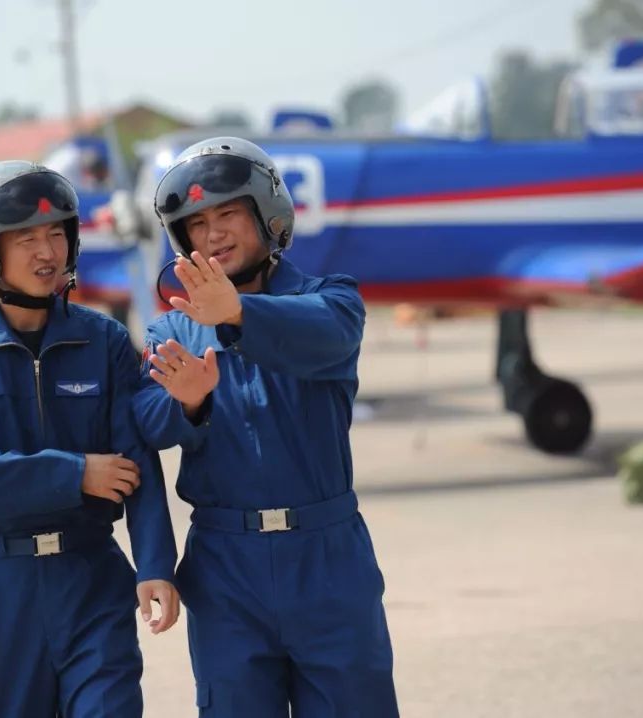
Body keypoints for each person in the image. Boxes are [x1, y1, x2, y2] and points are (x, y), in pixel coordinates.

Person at [133, 137, 398, 716]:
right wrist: (189, 406)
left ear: (266, 214)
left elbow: (327, 336)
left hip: (327, 559)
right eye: (197, 223)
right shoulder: (169, 334)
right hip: (226, 569)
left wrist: (234, 313)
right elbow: (144, 428)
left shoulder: (330, 300)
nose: (214, 234)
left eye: (228, 213)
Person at [0, 160, 178, 718]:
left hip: (91, 580)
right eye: (26, 238)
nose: (47, 252)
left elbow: (136, 462)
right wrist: (74, 473)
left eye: (57, 233)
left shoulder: (103, 340)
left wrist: (154, 562)